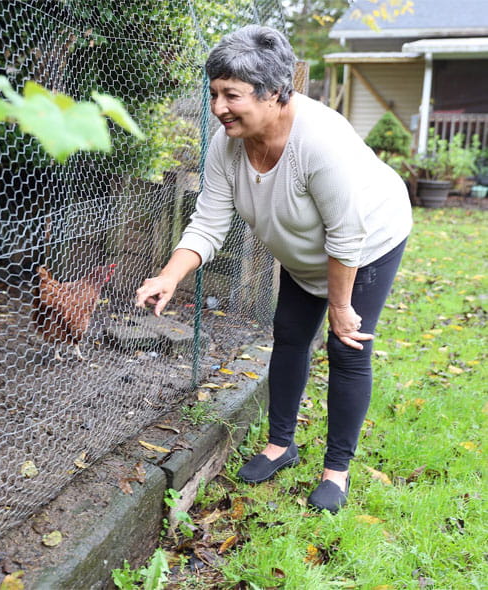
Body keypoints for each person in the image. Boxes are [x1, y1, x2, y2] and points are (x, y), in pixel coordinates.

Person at [135, 24, 412, 513]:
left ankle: (336, 471)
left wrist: (341, 307)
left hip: (368, 243)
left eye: (232, 95)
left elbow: (347, 236)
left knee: (345, 349)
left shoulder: (321, 144)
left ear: (276, 94)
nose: (219, 107)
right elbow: (208, 222)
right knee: (287, 336)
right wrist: (168, 276)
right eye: (215, 92)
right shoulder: (228, 145)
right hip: (306, 253)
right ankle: (281, 445)